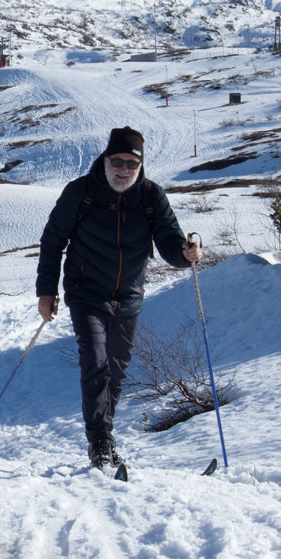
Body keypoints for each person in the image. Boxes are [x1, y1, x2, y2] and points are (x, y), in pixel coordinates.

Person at [35, 126, 201, 468]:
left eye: (131, 163)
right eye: (117, 161)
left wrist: (185, 254)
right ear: (106, 159)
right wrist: (46, 291)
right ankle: (100, 441)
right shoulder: (81, 192)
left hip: (128, 297)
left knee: (116, 371)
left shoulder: (151, 198)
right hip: (85, 292)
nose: (123, 169)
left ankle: (103, 434)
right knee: (94, 361)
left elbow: (169, 240)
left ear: (140, 166)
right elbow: (53, 241)